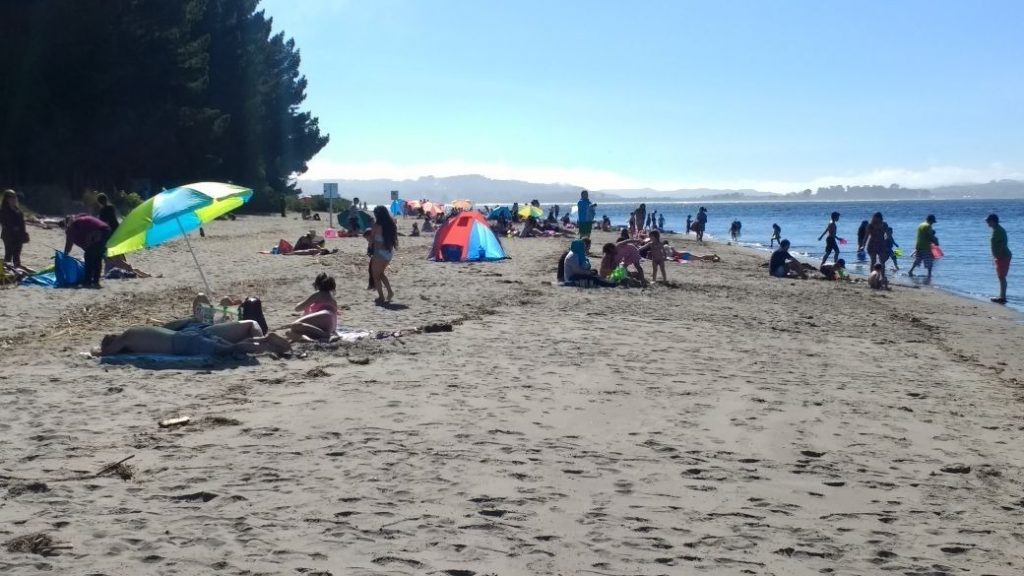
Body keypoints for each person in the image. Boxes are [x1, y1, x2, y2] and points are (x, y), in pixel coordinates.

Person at [63, 214, 111, 288]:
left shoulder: (73, 225)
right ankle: (95, 281)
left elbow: (69, 243)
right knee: (97, 257)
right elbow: (86, 238)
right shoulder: (81, 219)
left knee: (89, 257)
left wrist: (65, 254)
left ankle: (87, 282)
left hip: (98, 232)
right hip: (107, 230)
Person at [289, 273, 339, 341]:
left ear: (317, 285)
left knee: (294, 325)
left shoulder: (319, 294)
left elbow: (297, 308)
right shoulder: (332, 298)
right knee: (290, 333)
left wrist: (302, 304)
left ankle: (327, 335)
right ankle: (310, 340)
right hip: (332, 324)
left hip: (324, 315)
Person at [371, 205, 398, 304]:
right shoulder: (391, 224)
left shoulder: (376, 225)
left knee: (376, 275)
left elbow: (372, 239)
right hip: (389, 253)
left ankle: (381, 297)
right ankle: (390, 292)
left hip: (379, 253)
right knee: (380, 273)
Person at [987, 213, 1011, 304]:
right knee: (1001, 276)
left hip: (1003, 256)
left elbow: (1001, 244)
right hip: (1000, 256)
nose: (987, 223)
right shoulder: (996, 230)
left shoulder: (999, 231)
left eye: (988, 221)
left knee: (1002, 276)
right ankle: (1002, 296)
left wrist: (998, 256)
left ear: (993, 221)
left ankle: (1003, 297)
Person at [1, 189, 28, 269]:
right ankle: (6, 271)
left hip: (18, 236)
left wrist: (24, 234)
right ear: (7, 199)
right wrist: (12, 228)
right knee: (8, 254)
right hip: (8, 236)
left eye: (15, 197)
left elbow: (22, 224)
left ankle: (16, 270)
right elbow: (4, 223)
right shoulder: (3, 210)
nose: (14, 199)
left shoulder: (18, 211)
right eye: (11, 198)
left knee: (17, 255)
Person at [908, 214, 938, 279]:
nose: (933, 223)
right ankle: (929, 275)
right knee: (930, 260)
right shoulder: (928, 226)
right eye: (933, 221)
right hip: (925, 246)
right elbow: (929, 236)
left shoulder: (921, 225)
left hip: (918, 245)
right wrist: (935, 241)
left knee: (918, 259)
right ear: (930, 220)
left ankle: (910, 271)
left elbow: (923, 235)